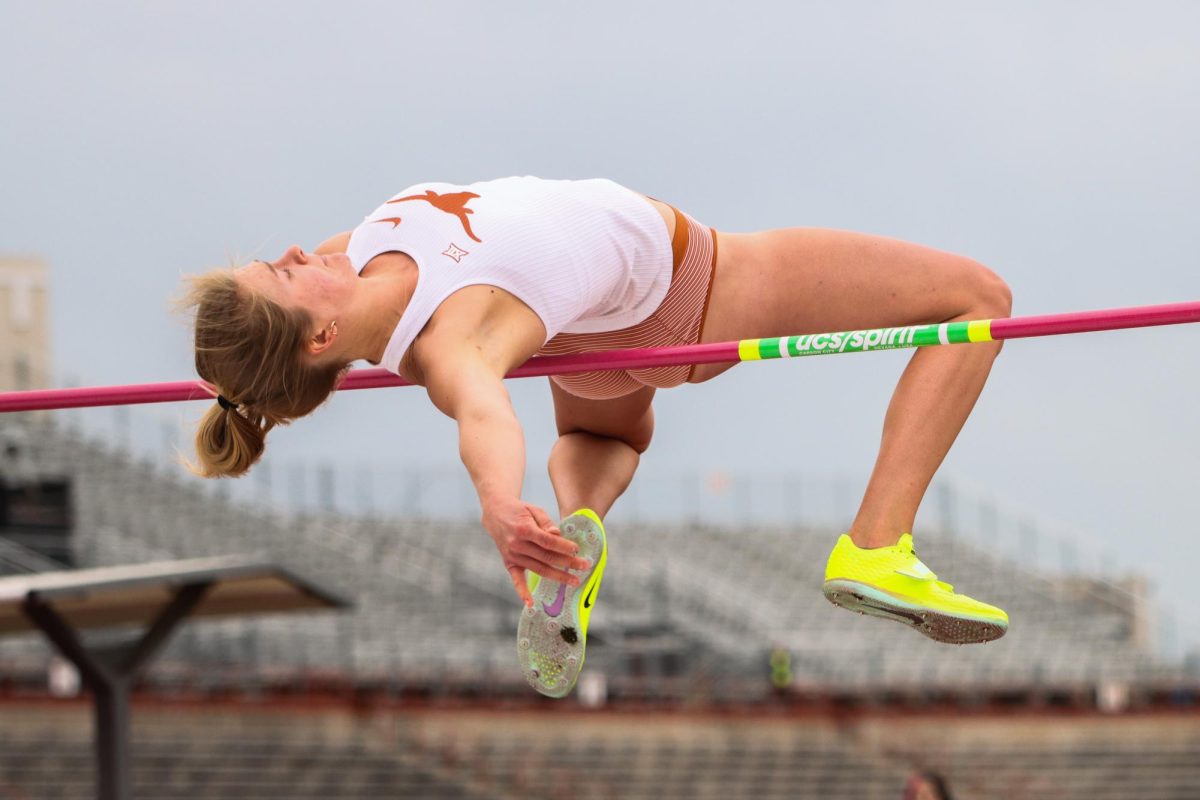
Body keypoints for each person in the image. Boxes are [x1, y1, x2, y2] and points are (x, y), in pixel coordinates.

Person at [178, 176, 1012, 697]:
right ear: (319, 340)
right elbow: (482, 416)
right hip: (699, 288)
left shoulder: (350, 258)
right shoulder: (451, 342)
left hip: (589, 339)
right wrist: (501, 507)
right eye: (285, 275)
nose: (293, 251)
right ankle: (876, 545)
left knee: (615, 443)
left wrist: (244, 375)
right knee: (976, 298)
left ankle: (581, 533)